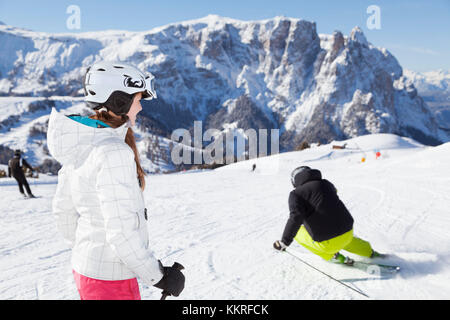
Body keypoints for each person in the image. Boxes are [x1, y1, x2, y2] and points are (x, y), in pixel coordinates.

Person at [47, 61, 185, 300]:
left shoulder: (83, 143)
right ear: (120, 101)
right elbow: (121, 233)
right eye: (138, 100)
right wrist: (159, 276)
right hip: (112, 282)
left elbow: (63, 212)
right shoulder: (114, 153)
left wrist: (91, 250)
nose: (141, 108)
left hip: (86, 272)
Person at [273, 166, 383, 265]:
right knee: (341, 235)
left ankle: (334, 256)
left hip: (328, 243)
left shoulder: (296, 194)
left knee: (299, 233)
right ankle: (370, 253)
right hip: (348, 231)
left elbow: (295, 218)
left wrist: (284, 242)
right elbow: (334, 192)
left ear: (294, 181)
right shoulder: (326, 184)